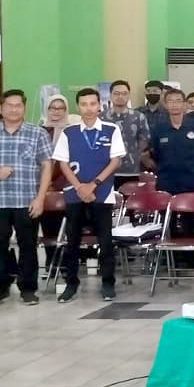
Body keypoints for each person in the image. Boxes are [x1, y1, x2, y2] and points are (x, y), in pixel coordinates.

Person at [0, 90, 53, 306]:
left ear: (24, 108)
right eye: (9, 105)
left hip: (27, 200)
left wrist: (40, 198)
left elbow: (46, 166)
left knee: (28, 246)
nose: (14, 109)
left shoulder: (38, 133)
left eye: (18, 105)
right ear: (0, 108)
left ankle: (28, 289)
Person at [53, 88, 125, 303]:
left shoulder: (111, 129)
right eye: (84, 104)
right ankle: (71, 283)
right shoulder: (69, 132)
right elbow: (63, 163)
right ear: (78, 107)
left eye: (93, 104)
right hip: (75, 194)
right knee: (72, 241)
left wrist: (93, 185)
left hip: (102, 193)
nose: (89, 108)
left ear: (99, 105)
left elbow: (115, 161)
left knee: (105, 240)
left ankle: (108, 283)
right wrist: (79, 187)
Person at [152, 88, 194, 195]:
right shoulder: (159, 129)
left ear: (184, 104)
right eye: (170, 101)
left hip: (191, 181)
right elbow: (156, 154)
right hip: (165, 181)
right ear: (165, 105)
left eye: (178, 101)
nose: (174, 105)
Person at [103, 79, 152, 189]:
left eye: (124, 93)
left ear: (129, 95)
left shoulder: (138, 117)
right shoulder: (101, 118)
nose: (120, 96)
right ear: (110, 95)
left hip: (131, 170)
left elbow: (144, 140)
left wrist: (133, 152)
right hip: (106, 171)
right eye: (116, 93)